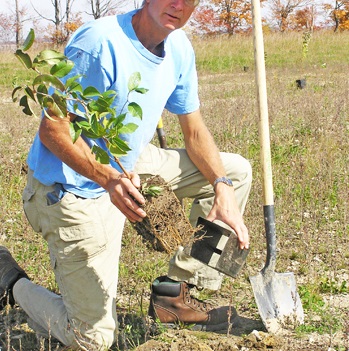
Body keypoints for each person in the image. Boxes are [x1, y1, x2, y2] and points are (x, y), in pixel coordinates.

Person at [0, 0, 252, 349]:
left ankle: (173, 293)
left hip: (128, 165)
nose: (178, 5)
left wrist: (221, 187)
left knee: (235, 171)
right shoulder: (98, 44)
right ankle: (10, 282)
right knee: (91, 339)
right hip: (71, 189)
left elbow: (193, 131)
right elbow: (53, 130)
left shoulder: (178, 46)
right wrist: (109, 180)